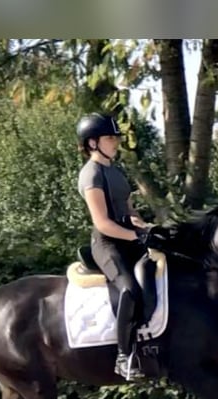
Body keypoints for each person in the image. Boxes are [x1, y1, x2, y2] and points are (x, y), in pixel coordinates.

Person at [76, 112, 165, 381]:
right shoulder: (91, 174)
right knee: (127, 289)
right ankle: (124, 356)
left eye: (116, 137)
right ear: (93, 143)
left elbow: (129, 211)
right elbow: (103, 223)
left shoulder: (115, 171)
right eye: (110, 138)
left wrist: (147, 228)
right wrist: (136, 237)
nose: (115, 142)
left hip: (128, 238)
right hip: (107, 244)